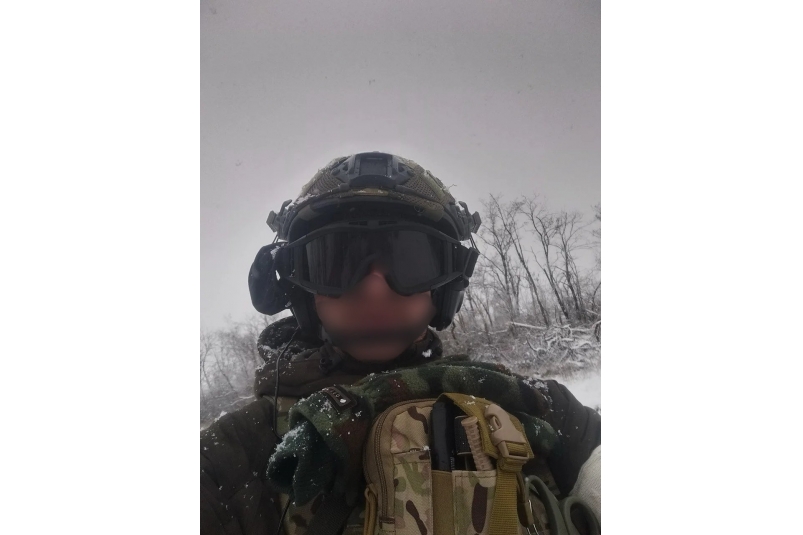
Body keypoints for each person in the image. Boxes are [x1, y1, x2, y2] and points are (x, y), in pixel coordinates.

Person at [200, 152, 601, 535]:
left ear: (444, 288)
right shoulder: (227, 460)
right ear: (301, 289)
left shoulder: (544, 409)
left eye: (410, 261)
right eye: (338, 262)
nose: (374, 288)